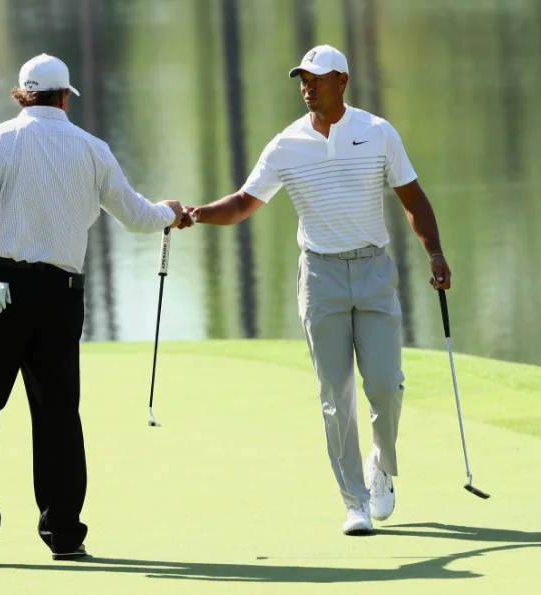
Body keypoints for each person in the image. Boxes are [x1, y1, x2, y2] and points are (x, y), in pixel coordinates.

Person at [183, 45, 452, 535]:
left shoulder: (377, 133)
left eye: (318, 79)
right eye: (302, 79)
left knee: (385, 386)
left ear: (342, 81)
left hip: (373, 272)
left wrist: (434, 252)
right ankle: (354, 501)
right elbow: (245, 203)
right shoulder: (286, 145)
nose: (307, 87)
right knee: (336, 392)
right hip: (321, 277)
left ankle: (381, 467)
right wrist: (198, 214)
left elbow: (412, 197)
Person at [0, 53, 189, 563]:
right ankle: (65, 534)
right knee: (57, 416)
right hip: (61, 297)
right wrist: (172, 214)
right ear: (66, 97)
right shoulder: (93, 149)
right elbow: (137, 216)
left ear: (22, 94)